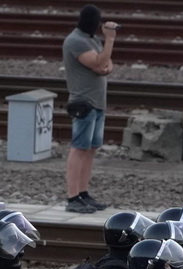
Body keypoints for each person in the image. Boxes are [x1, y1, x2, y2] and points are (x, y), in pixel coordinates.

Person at [63, 4, 117, 213]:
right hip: (83, 103)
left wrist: (103, 63)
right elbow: (99, 61)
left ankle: (83, 193)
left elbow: (107, 63)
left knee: (91, 149)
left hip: (97, 103)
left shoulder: (92, 40)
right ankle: (72, 197)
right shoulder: (75, 41)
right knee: (79, 148)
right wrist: (110, 40)